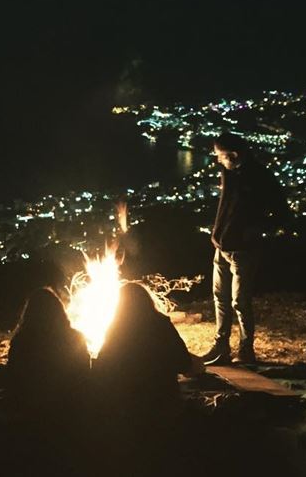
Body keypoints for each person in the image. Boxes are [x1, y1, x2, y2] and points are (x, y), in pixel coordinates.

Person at [201, 132, 289, 365]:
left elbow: (283, 214)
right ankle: (221, 347)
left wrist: (254, 229)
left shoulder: (261, 178)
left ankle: (245, 350)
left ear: (235, 155)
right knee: (220, 297)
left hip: (243, 250)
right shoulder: (228, 173)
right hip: (221, 246)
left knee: (240, 301)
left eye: (221, 156)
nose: (218, 160)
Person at [94, 283, 203, 415]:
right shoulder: (161, 325)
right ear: (148, 301)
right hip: (161, 403)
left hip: (124, 405)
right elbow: (184, 364)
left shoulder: (116, 329)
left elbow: (100, 367)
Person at [2, 287, 91, 412]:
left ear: (30, 313)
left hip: (32, 404)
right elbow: (85, 369)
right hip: (69, 402)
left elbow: (15, 373)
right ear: (60, 311)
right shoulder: (76, 337)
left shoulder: (22, 340)